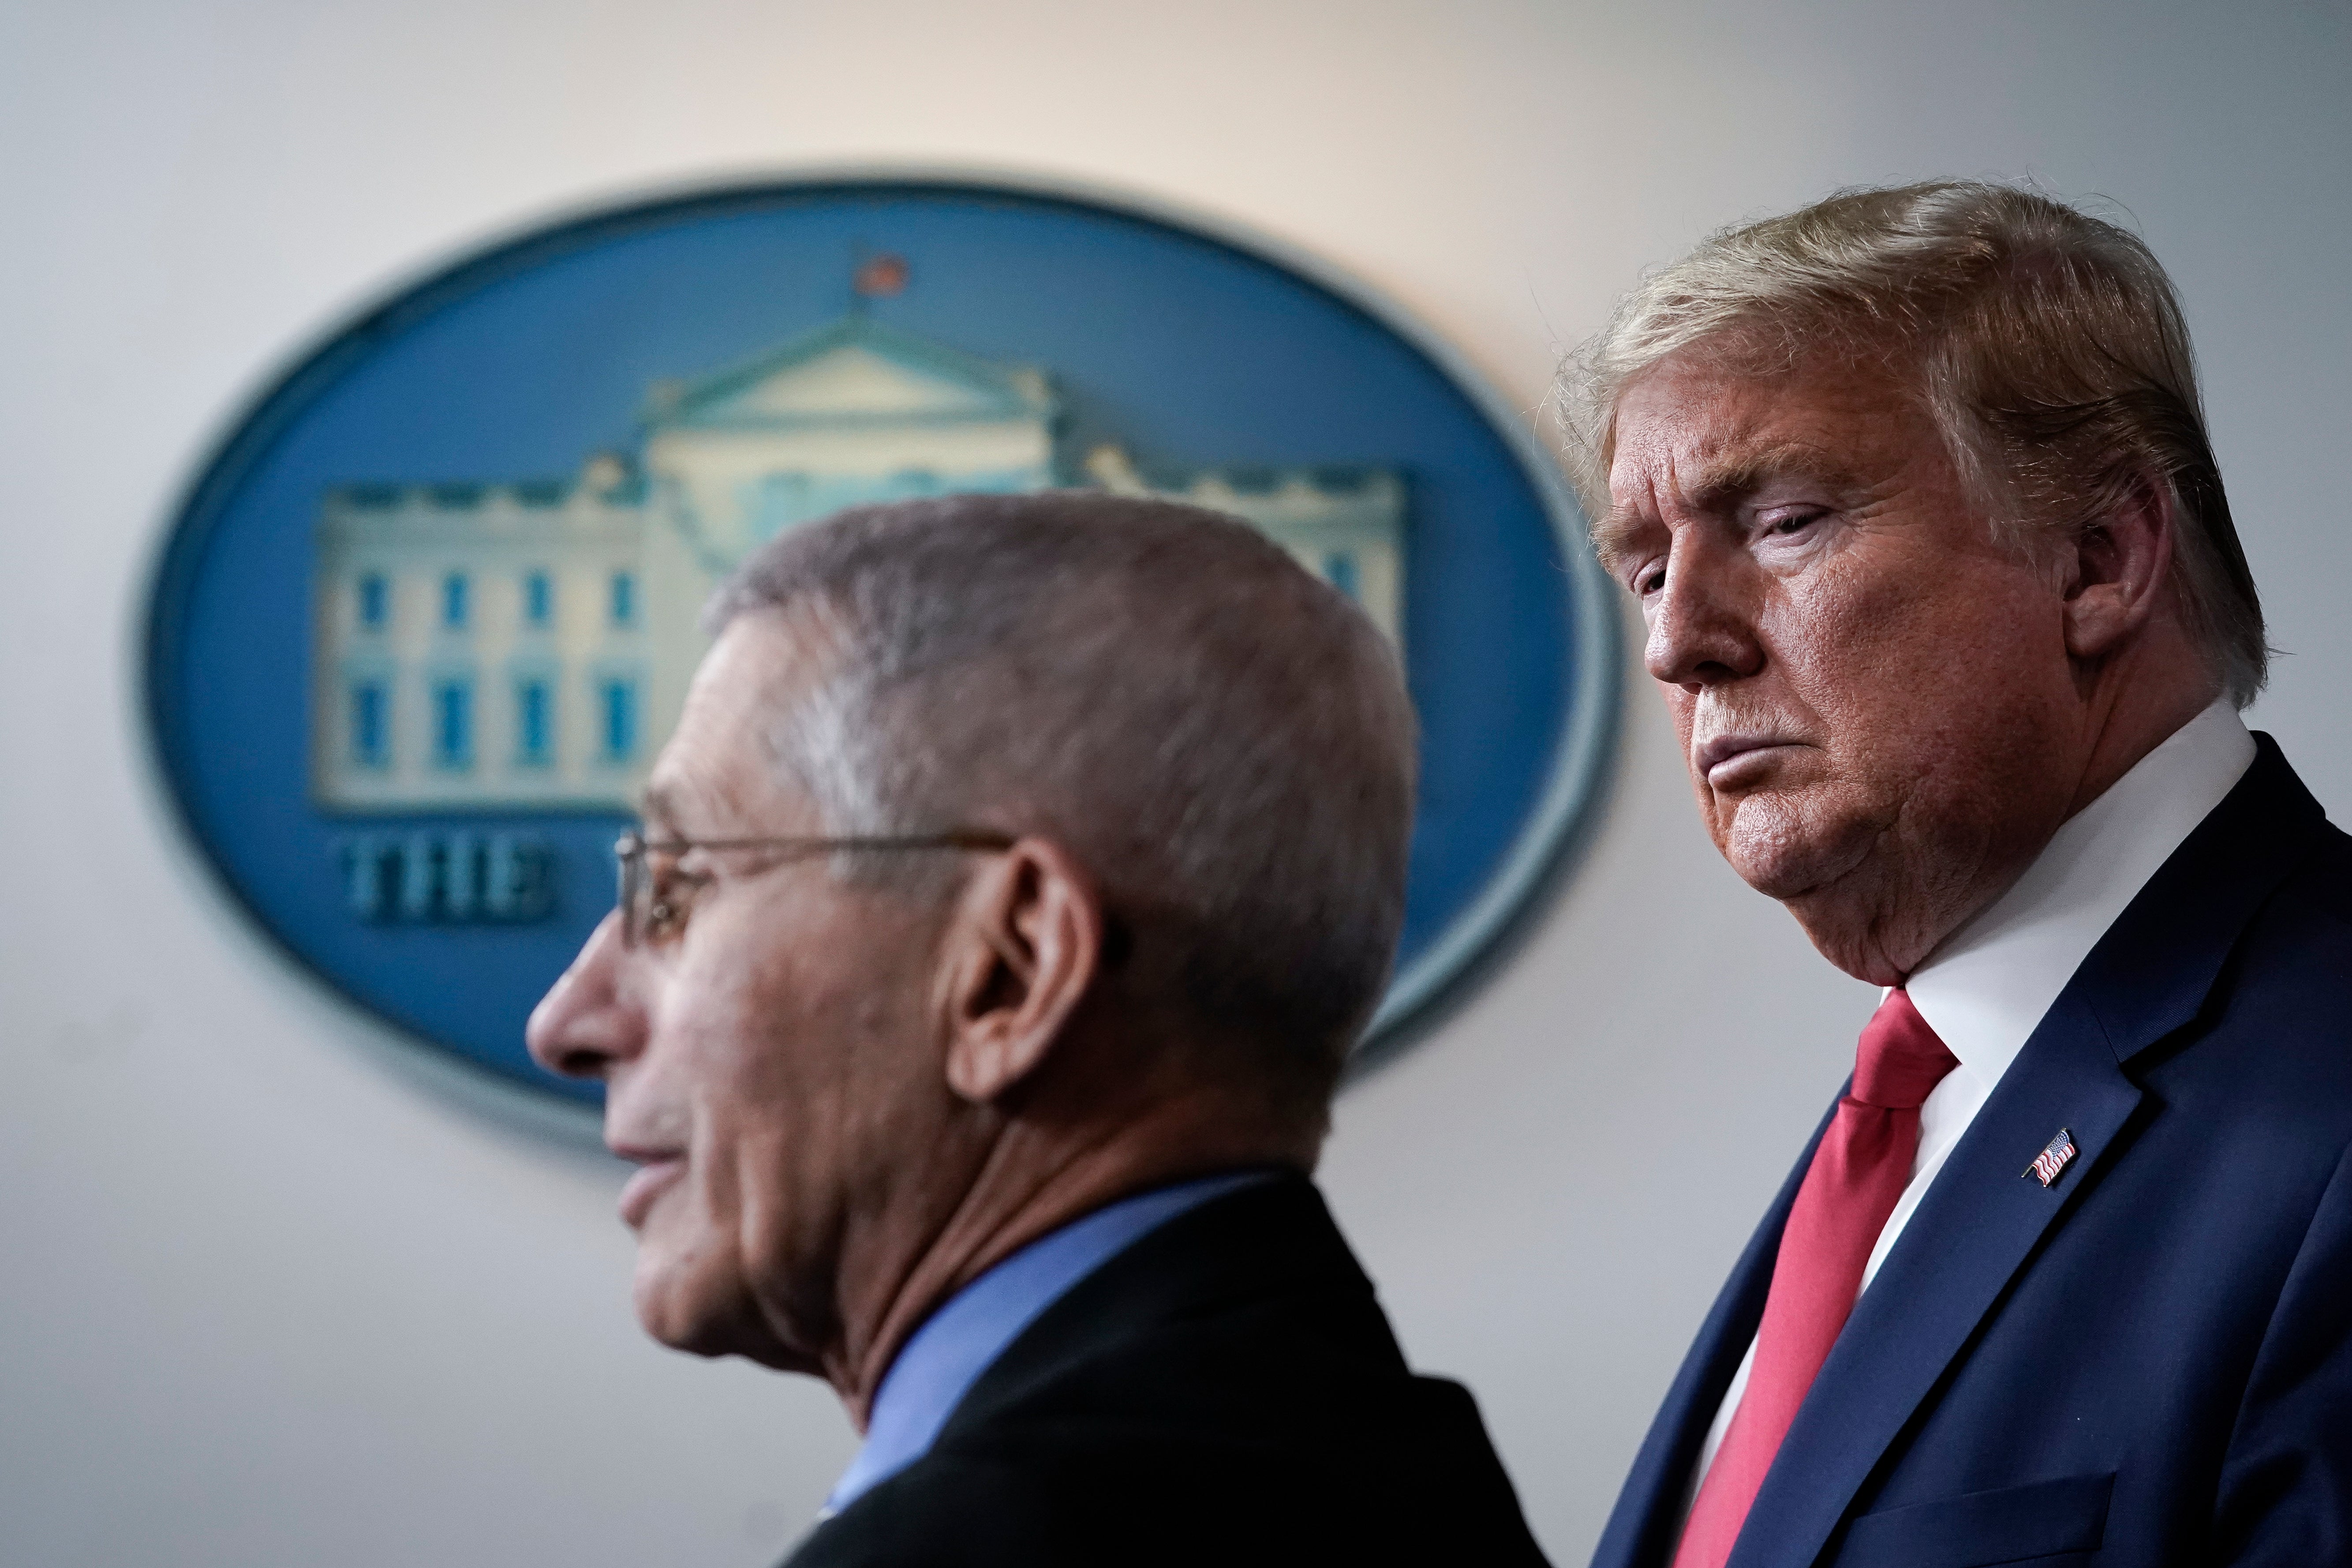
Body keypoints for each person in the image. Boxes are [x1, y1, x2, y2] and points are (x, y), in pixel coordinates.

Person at [525, 492, 1549, 1568]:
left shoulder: (982, 1547)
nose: (569, 1022)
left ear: (1009, 972)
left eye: (679, 887)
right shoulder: (1374, 1468)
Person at [1563, 181, 2352, 1568]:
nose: (1675, 643)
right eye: (1643, 569)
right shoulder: (1924, 1093)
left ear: (2097, 558)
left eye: (1784, 520)